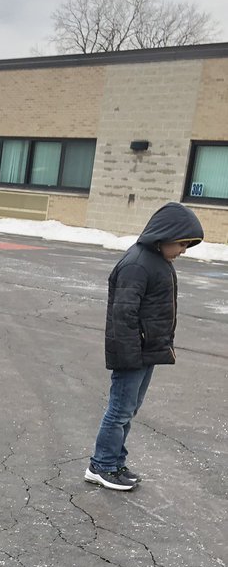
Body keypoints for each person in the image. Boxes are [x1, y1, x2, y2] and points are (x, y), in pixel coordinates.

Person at [85, 202, 204, 491]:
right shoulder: (138, 263)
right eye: (181, 243)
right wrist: (131, 355)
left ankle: (114, 462)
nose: (183, 251)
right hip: (132, 354)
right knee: (119, 411)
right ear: (163, 236)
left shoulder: (156, 261)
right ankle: (100, 465)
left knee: (129, 410)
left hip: (145, 351)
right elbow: (123, 315)